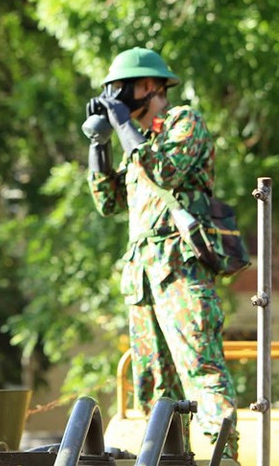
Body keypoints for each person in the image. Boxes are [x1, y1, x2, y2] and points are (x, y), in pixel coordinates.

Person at [84, 47, 238, 457]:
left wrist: (120, 123)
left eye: (122, 89)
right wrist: (99, 144)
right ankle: (168, 460)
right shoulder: (141, 141)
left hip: (181, 272)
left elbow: (166, 171)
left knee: (202, 371)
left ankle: (222, 458)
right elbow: (109, 201)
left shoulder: (183, 122)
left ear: (149, 86)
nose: (116, 98)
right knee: (153, 385)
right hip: (143, 280)